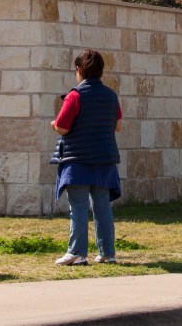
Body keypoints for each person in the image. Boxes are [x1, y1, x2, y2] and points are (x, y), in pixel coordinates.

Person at [50, 48, 122, 266]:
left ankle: (77, 252)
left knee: (78, 206)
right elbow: (118, 126)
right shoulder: (111, 95)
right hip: (104, 158)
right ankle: (107, 254)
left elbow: (62, 127)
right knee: (102, 206)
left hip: (78, 160)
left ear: (79, 70)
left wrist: (53, 124)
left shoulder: (75, 96)